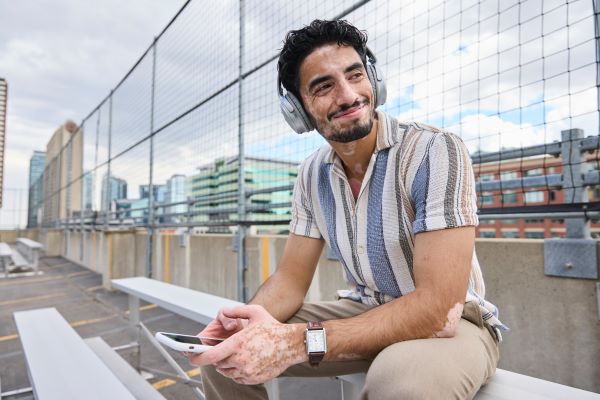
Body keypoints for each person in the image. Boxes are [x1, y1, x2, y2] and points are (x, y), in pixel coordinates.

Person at [189, 19, 507, 400]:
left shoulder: (435, 150)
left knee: (402, 384)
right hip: (362, 310)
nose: (348, 95)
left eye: (355, 75)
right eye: (323, 87)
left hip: (452, 323)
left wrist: (296, 342)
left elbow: (438, 308)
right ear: (298, 111)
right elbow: (290, 281)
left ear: (374, 80)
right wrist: (242, 324)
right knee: (230, 355)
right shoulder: (311, 173)